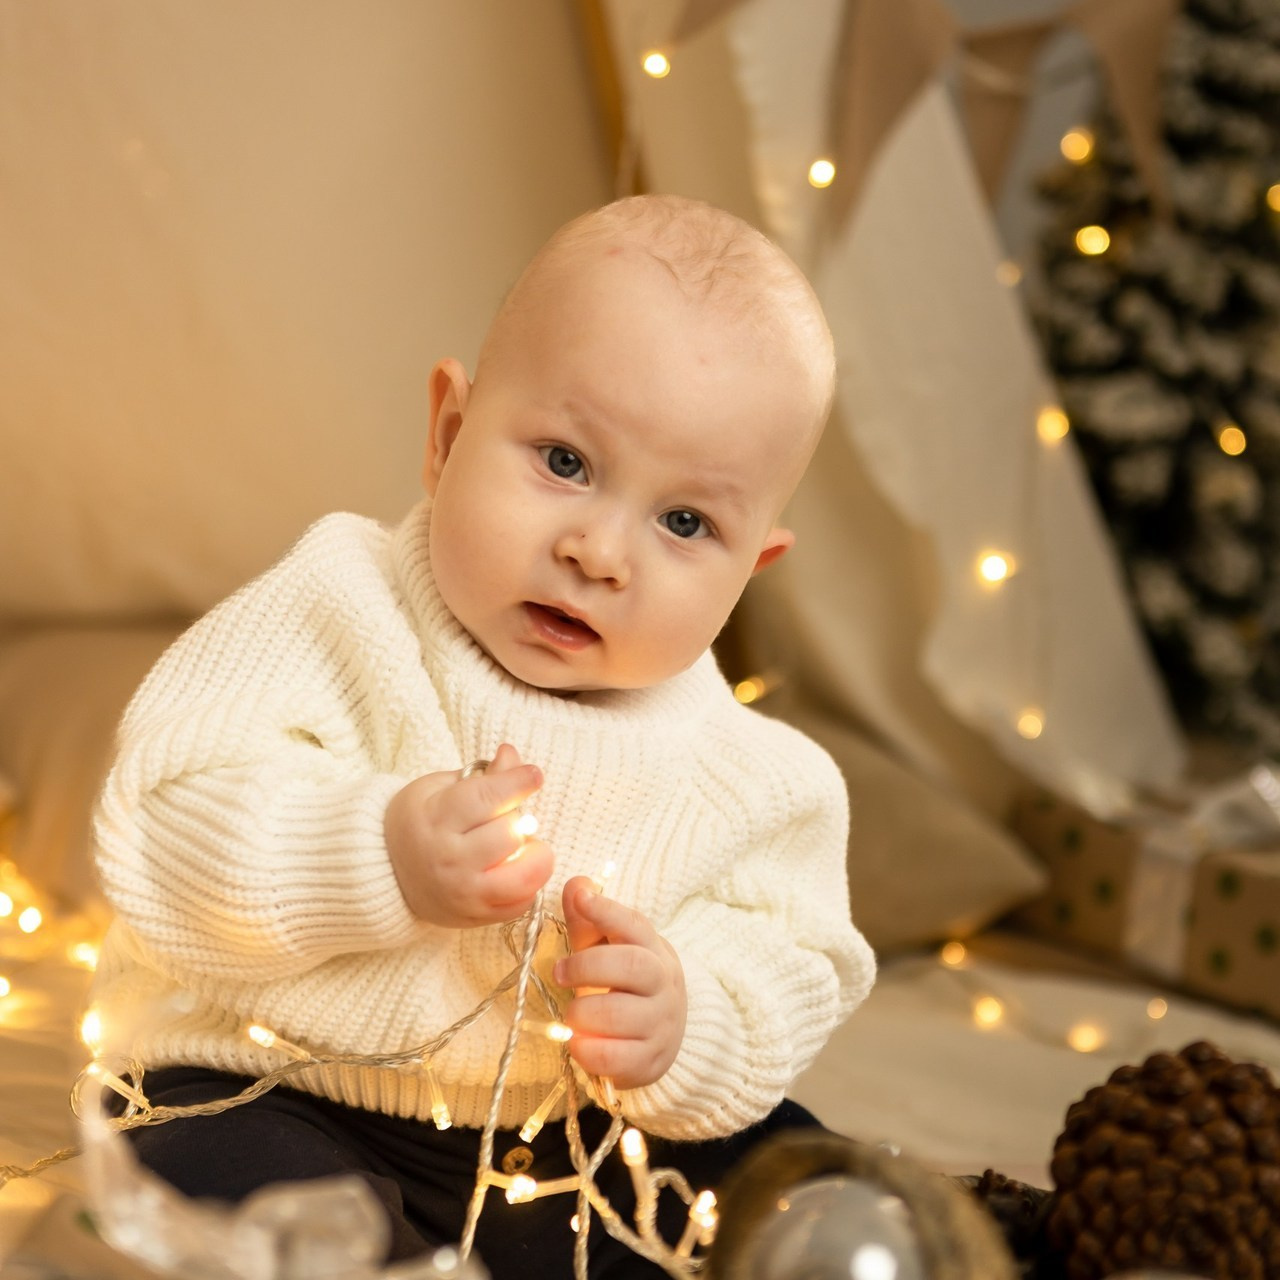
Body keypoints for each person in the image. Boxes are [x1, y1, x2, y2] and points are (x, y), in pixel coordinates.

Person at [89, 193, 876, 1277]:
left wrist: (683, 1016)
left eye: (684, 522)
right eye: (564, 461)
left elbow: (794, 962)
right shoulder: (337, 607)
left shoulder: (753, 775)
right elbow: (168, 812)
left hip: (565, 1140)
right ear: (448, 433)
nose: (600, 551)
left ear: (750, 571)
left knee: (814, 1187)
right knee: (214, 1187)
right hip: (277, 1087)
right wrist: (375, 849)